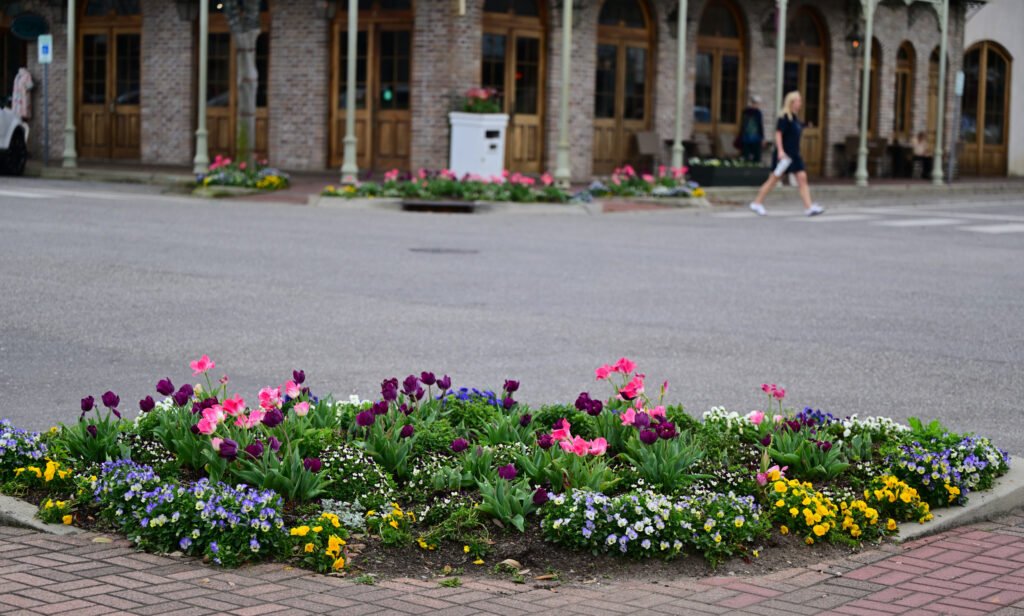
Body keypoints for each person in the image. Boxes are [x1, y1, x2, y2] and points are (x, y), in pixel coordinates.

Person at [749, 91, 824, 217]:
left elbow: (797, 130)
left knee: (802, 178)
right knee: (773, 180)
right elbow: (778, 134)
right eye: (798, 101)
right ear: (792, 102)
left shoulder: (795, 119)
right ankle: (757, 203)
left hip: (795, 155)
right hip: (785, 155)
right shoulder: (784, 117)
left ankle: (809, 207)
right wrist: (780, 151)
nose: (800, 103)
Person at [738, 95, 765, 163]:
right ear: (752, 103)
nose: (756, 105)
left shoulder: (758, 113)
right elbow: (743, 125)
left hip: (756, 137)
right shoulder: (746, 112)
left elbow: (760, 126)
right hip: (747, 136)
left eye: (758, 104)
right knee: (746, 155)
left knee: (757, 155)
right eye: (755, 103)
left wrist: (762, 137)